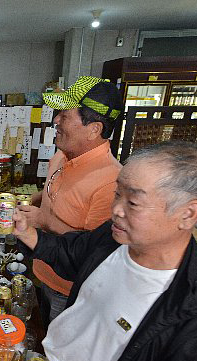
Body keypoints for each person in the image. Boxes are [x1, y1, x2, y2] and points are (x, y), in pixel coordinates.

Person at [14, 141, 197, 361]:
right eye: (118, 193)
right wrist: (27, 232)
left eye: (133, 202)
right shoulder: (113, 238)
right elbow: (70, 254)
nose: (116, 210)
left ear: (188, 213)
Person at [20, 76, 123, 323]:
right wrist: (34, 198)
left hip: (66, 292)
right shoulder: (63, 155)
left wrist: (46, 221)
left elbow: (95, 252)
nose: (56, 120)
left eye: (65, 116)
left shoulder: (112, 182)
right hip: (39, 269)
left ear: (94, 129)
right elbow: (56, 194)